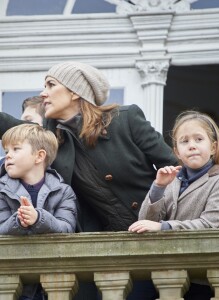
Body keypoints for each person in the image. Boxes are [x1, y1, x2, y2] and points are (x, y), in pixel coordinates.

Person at [0, 61, 178, 300]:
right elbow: (8, 126)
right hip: (95, 250)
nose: (43, 93)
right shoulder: (51, 138)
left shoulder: (126, 119)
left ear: (75, 92)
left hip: (152, 239)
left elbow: (178, 169)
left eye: (51, 85)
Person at [129, 110, 219, 300]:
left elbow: (209, 224)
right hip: (160, 269)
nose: (192, 146)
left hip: (197, 275)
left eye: (199, 139)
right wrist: (158, 187)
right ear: (177, 151)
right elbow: (145, 222)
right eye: (185, 141)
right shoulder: (171, 179)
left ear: (213, 147)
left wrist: (164, 227)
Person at [0, 123, 77, 300]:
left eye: (16, 149)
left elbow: (67, 229)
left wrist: (38, 218)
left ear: (39, 156)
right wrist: (19, 221)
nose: (8, 155)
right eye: (6, 150)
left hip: (52, 283)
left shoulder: (63, 191)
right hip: (11, 280)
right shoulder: (1, 190)